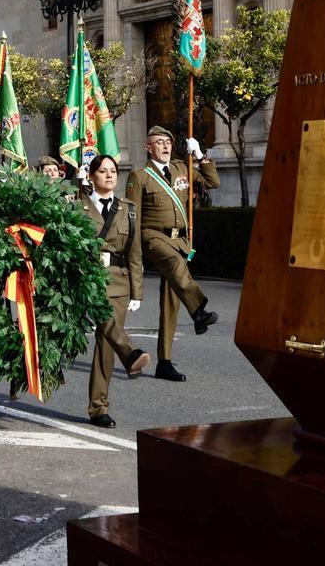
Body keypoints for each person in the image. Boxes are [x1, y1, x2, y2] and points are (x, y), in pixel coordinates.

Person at [124, 125, 219, 382]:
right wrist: (134, 259)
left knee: (171, 301)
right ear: (148, 148)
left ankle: (164, 363)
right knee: (176, 264)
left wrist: (200, 155)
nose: (166, 145)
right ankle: (199, 311)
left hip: (179, 241)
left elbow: (213, 182)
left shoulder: (181, 168)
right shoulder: (139, 176)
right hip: (152, 237)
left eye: (168, 142)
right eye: (159, 142)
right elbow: (132, 218)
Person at [80, 154, 150, 427]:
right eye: (103, 171)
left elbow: (135, 253)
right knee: (108, 325)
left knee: (105, 345)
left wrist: (136, 292)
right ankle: (131, 353)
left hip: (119, 283)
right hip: (89, 280)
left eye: (113, 171)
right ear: (92, 176)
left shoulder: (128, 209)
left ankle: (99, 408)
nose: (109, 175)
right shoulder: (78, 208)